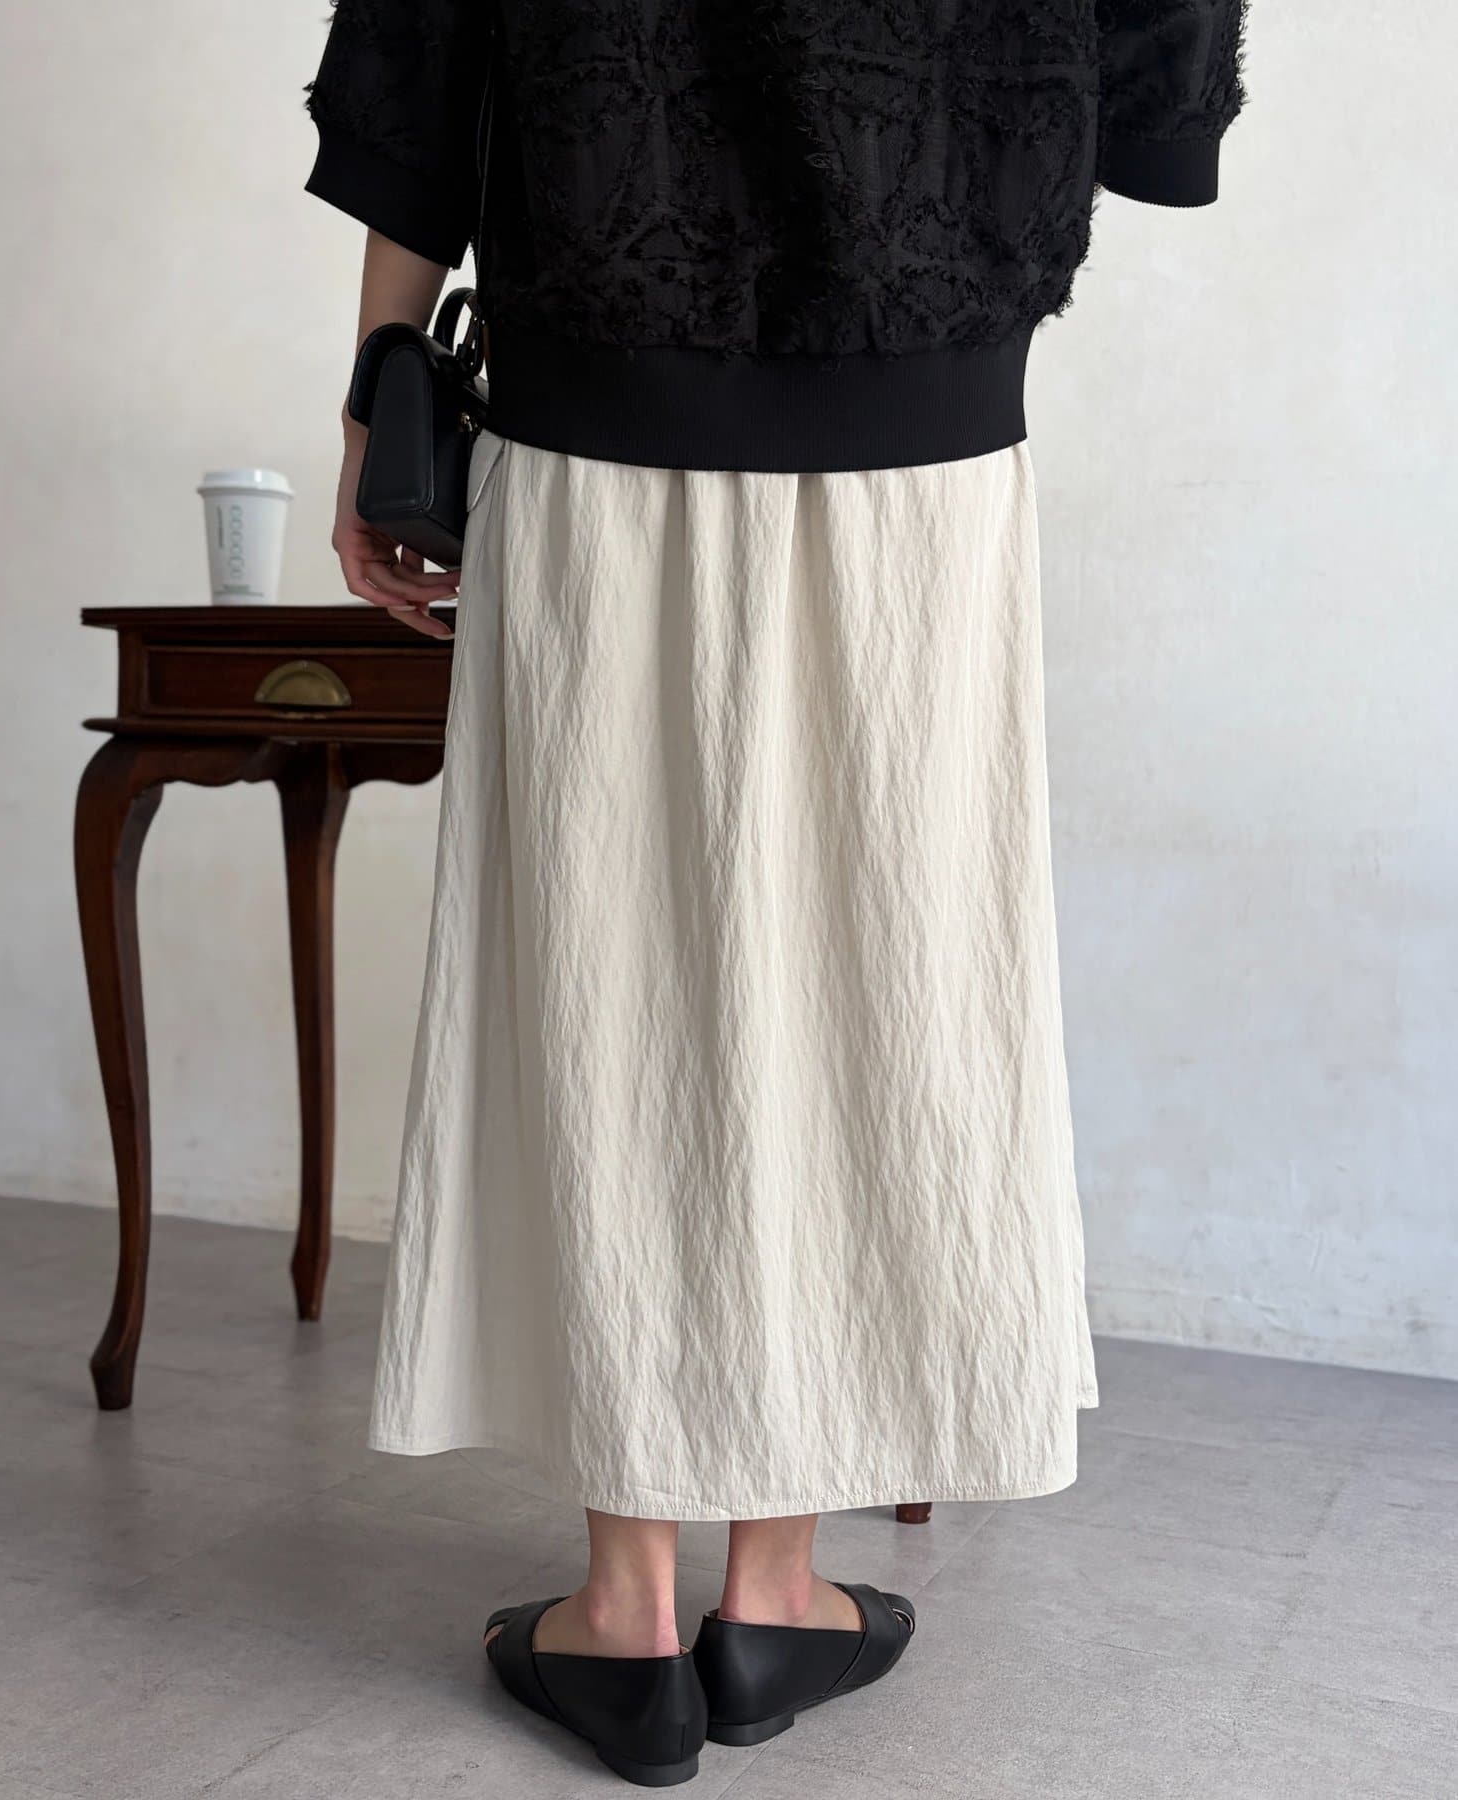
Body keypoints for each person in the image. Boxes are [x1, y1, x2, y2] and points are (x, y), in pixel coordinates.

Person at [304, 1, 1246, 1786]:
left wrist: (378, 392)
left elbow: (420, 56)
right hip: (923, 427)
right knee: (879, 979)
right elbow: (1159, 62)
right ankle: (775, 1590)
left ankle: (625, 1608)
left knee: (600, 981)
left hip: (593, 407)